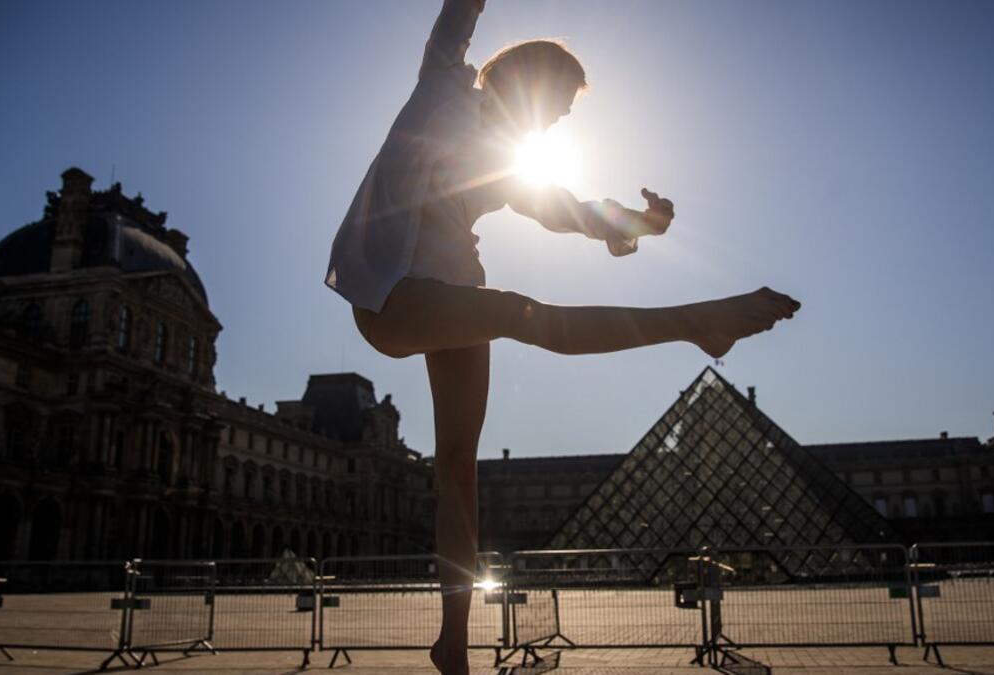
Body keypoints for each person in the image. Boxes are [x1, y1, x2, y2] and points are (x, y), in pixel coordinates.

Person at [324, 1, 800, 672]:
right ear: (534, 83)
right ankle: (696, 320)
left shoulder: (506, 158)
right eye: (559, 108)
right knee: (526, 313)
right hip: (390, 292)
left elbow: (562, 208)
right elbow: (458, 12)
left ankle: (452, 641)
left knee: (458, 466)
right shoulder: (443, 80)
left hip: (453, 288)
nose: (553, 123)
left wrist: (637, 223)